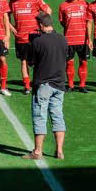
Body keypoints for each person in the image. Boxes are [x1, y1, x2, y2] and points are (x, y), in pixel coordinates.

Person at [24, 12, 68, 161]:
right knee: (57, 116)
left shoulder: (38, 42)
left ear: (41, 25)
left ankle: (37, 151)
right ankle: (60, 151)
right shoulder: (63, 39)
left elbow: (30, 62)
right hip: (60, 84)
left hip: (43, 84)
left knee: (40, 116)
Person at [9, 0, 52, 93]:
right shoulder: (13, 1)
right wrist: (13, 30)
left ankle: (38, 83)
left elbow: (48, 10)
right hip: (21, 38)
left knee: (39, 62)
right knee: (23, 61)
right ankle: (27, 86)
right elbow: (5, 17)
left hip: (35, 37)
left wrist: (41, 22)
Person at [59, 0, 90, 93]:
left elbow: (88, 22)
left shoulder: (85, 4)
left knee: (83, 62)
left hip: (83, 39)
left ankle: (82, 85)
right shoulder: (63, 5)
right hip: (69, 39)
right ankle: (71, 85)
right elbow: (62, 22)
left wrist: (89, 39)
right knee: (69, 63)